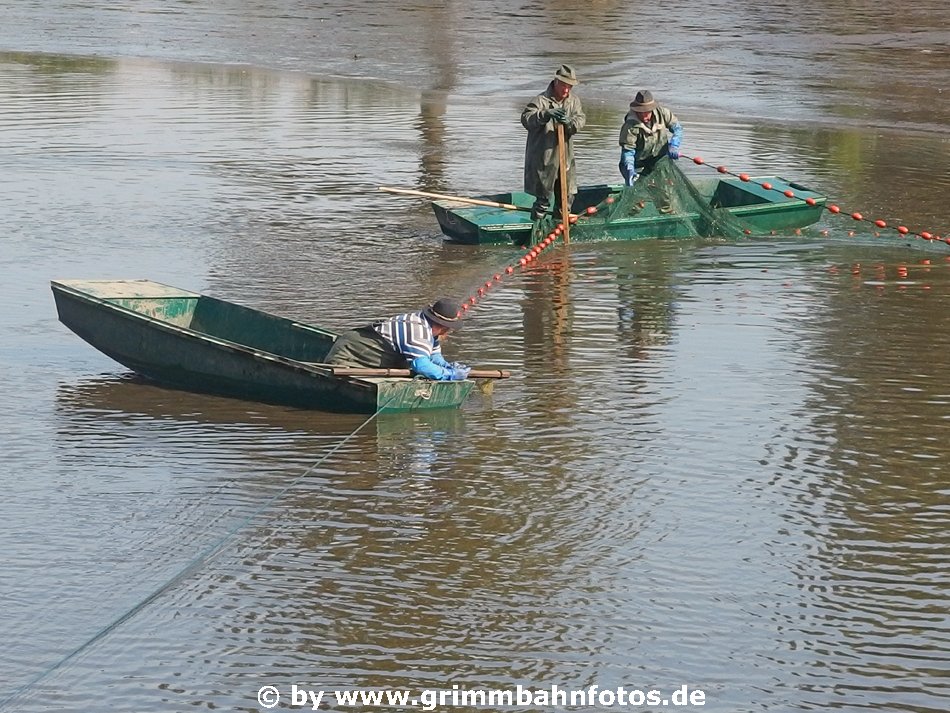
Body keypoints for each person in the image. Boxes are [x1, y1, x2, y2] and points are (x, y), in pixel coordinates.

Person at [324, 298, 471, 380]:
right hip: (351, 352)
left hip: (375, 354)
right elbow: (421, 366)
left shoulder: (429, 329)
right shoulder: (418, 330)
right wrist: (449, 375)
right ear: (442, 325)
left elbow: (434, 357)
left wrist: (448, 366)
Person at [521, 64, 587, 221]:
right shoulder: (540, 100)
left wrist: (568, 122)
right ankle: (537, 229)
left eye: (569, 87)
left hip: (565, 158)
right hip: (544, 157)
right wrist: (544, 115)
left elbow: (580, 120)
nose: (566, 90)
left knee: (567, 198)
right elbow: (526, 119)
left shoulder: (573, 101)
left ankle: (559, 228)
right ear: (556, 82)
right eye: (564, 86)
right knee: (542, 200)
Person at [618, 89, 683, 213]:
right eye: (640, 112)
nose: (644, 116)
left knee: (663, 196)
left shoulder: (663, 114)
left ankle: (667, 218)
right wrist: (629, 168)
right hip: (637, 165)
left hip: (658, 162)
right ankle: (627, 216)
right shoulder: (630, 125)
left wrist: (674, 144)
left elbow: (677, 129)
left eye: (647, 112)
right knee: (635, 199)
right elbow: (628, 150)